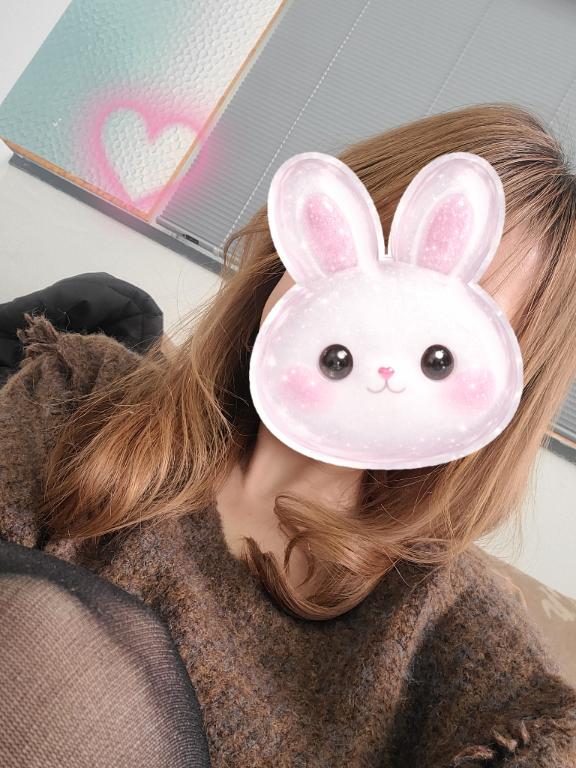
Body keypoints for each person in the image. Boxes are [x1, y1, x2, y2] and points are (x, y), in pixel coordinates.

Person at [1, 102, 576, 767]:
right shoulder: (81, 390)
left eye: (439, 344)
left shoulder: (443, 618)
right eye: (369, 269)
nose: (379, 344)